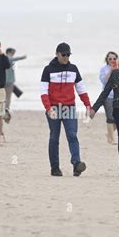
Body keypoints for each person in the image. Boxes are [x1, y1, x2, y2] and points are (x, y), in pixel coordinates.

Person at [40, 42, 90, 177]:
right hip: (54, 108)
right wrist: (49, 108)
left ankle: (76, 164)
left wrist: (88, 105)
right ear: (57, 54)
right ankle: (55, 168)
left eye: (68, 54)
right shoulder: (48, 70)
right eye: (64, 55)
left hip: (70, 108)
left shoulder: (74, 69)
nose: (66, 57)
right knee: (54, 138)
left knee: (72, 135)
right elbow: (43, 92)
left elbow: (81, 89)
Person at [99, 51, 118, 144]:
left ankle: (109, 134)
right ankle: (112, 139)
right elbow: (104, 81)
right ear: (107, 59)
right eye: (110, 58)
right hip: (108, 96)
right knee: (110, 117)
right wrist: (111, 70)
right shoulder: (104, 69)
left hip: (118, 96)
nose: (112, 60)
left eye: (114, 58)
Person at [5, 48, 27, 113]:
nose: (13, 55)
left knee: (4, 96)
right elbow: (12, 59)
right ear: (8, 52)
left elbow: (14, 68)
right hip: (9, 81)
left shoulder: (3, 59)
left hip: (3, 81)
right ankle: (6, 109)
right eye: (12, 53)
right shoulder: (8, 58)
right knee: (8, 96)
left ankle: (4, 109)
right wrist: (21, 57)